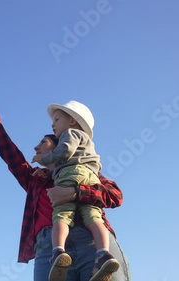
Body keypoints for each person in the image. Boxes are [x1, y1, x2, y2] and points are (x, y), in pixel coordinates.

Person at [0, 86, 131, 281]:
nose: (36, 146)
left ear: (59, 145)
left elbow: (115, 195)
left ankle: (102, 260)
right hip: (50, 248)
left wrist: (74, 192)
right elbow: (7, 149)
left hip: (92, 241)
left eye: (43, 142)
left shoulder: (86, 170)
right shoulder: (34, 179)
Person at [31, 101, 119, 281]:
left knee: (62, 215)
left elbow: (64, 151)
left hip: (71, 174)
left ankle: (58, 252)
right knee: (95, 217)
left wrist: (44, 159)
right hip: (90, 176)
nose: (52, 124)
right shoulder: (87, 145)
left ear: (72, 121)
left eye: (56, 119)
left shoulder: (70, 135)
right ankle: (103, 255)